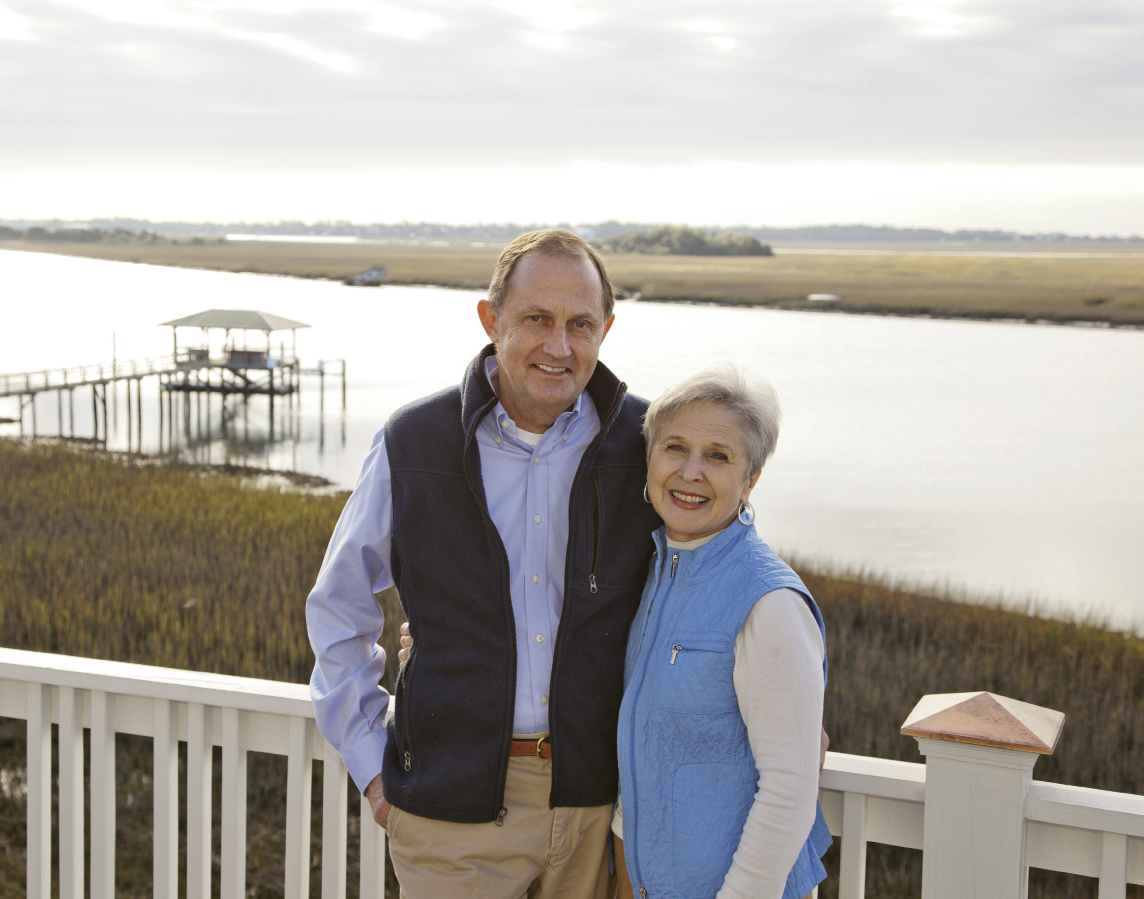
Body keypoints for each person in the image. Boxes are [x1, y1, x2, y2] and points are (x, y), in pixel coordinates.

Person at [306, 228, 661, 899]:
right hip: (452, 812)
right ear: (490, 319)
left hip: (600, 811)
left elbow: (724, 573)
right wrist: (371, 765)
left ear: (606, 330)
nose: (559, 346)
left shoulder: (647, 443)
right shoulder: (415, 441)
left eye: (580, 324)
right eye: (536, 319)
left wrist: (782, 696)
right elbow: (337, 607)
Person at [612, 365, 831, 899]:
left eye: (718, 455)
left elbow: (789, 790)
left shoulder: (770, 602)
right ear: (650, 459)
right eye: (675, 447)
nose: (690, 472)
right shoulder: (657, 572)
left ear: (750, 478)